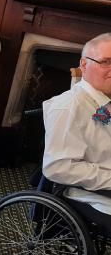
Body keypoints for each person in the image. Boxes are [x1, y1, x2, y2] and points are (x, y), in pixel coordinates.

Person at [43, 32, 111, 225]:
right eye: (106, 62)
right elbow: (57, 167)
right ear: (84, 65)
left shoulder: (105, 102)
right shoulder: (69, 107)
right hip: (90, 194)